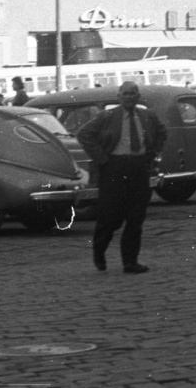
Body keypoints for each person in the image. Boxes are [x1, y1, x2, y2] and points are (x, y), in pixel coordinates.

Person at [76, 82, 166, 274]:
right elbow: (84, 134)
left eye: (133, 93)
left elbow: (162, 133)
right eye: (125, 93)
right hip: (114, 168)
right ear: (118, 96)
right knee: (110, 217)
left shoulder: (147, 116)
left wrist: (151, 155)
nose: (129, 97)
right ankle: (99, 251)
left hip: (139, 168)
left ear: (138, 96)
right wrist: (102, 158)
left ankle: (130, 261)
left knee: (136, 217)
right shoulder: (107, 116)